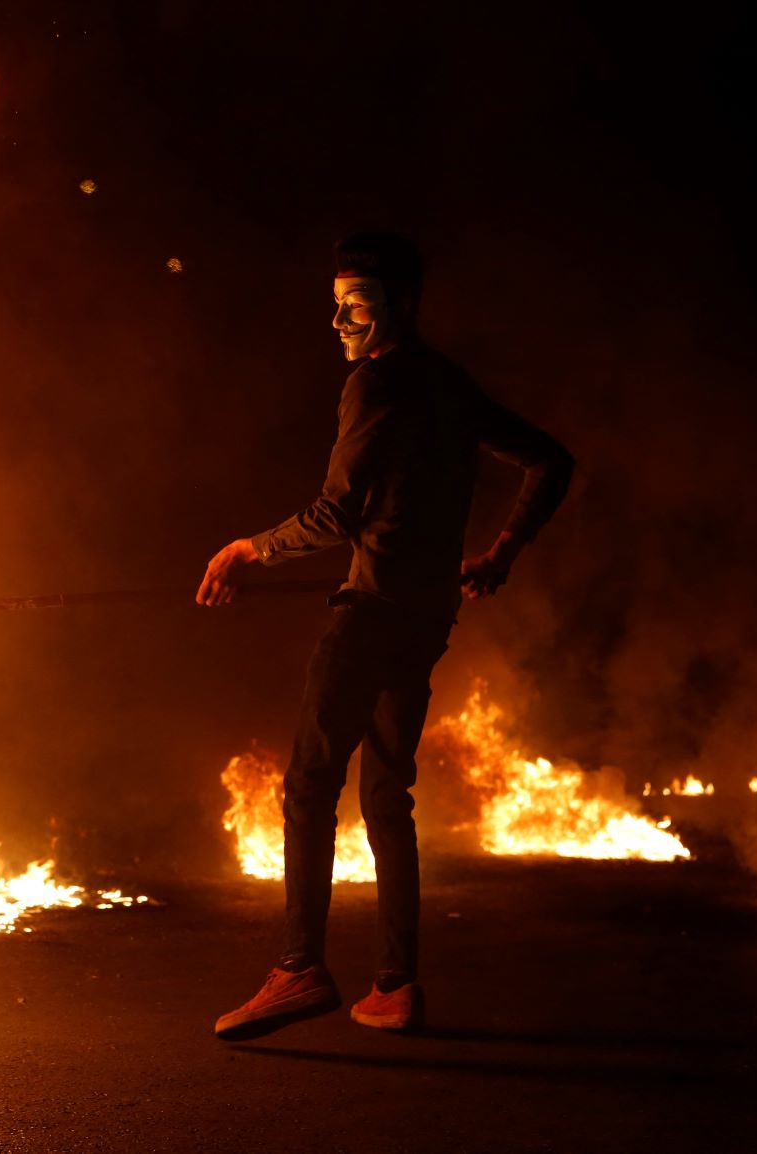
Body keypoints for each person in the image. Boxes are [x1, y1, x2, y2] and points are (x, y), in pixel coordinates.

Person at [196, 233, 574, 1037]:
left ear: (398, 305)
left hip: (368, 612)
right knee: (385, 797)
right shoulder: (449, 384)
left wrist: (246, 549)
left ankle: (298, 970)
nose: (336, 319)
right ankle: (395, 986)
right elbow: (549, 460)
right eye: (334, 302)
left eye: (355, 304)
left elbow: (334, 514)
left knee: (307, 785)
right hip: (428, 612)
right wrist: (500, 553)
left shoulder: (374, 385)